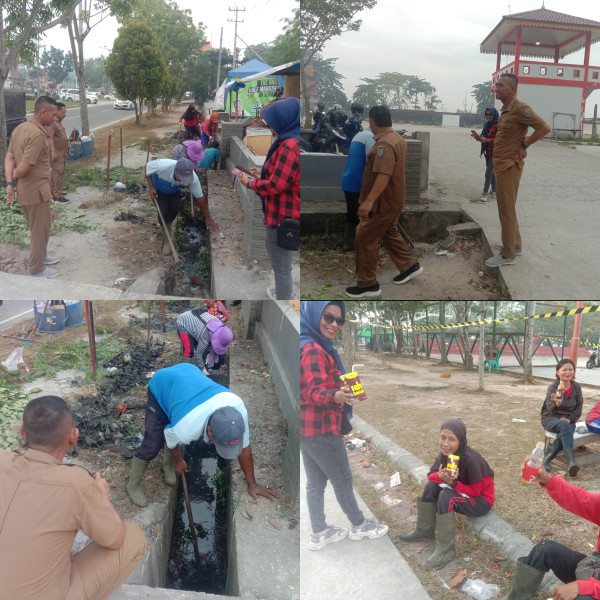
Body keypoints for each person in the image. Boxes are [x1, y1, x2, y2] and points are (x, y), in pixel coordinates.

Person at [0, 396, 147, 600]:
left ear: (22, 431)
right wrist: (102, 496)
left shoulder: (3, 460)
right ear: (74, 436)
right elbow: (115, 539)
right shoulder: (76, 484)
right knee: (132, 537)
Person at [300, 301, 388, 551]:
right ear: (314, 315)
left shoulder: (307, 343)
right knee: (343, 480)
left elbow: (309, 386)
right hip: (322, 428)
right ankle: (360, 525)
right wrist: (336, 396)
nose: (334, 324)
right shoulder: (314, 349)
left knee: (315, 483)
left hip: (307, 430)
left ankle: (320, 532)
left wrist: (341, 385)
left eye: (340, 320)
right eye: (328, 317)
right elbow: (317, 392)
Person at [126, 363, 277, 507]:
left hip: (189, 378)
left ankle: (167, 463)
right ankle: (133, 485)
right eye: (218, 443)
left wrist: (253, 484)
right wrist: (178, 460)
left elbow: (245, 449)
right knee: (152, 444)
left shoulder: (237, 413)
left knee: (173, 424)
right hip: (162, 384)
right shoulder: (187, 428)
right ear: (210, 431)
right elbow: (168, 435)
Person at [345, 105, 423, 298]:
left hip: (382, 202)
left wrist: (368, 202)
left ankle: (367, 284)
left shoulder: (384, 144)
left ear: (372, 122)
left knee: (364, 237)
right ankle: (408, 266)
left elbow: (383, 174)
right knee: (389, 231)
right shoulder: (397, 138)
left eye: (369, 123)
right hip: (394, 198)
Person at [399, 418, 494, 568]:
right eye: (443, 437)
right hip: (461, 491)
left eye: (452, 439)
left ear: (460, 441)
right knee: (431, 486)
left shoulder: (472, 460)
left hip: (481, 500)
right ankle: (425, 530)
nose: (445, 443)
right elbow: (430, 475)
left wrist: (452, 483)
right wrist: (441, 476)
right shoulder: (446, 454)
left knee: (446, 496)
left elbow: (476, 492)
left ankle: (446, 550)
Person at [498, 460, 600, 600]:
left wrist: (582, 587)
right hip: (595, 569)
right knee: (546, 550)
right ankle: (517, 597)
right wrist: (547, 479)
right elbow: (577, 498)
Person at [485, 73, 551, 267]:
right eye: (496, 85)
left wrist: (525, 145)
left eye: (501, 85)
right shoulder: (506, 109)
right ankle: (515, 244)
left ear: (512, 89)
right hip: (502, 164)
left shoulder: (520, 108)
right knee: (508, 207)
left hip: (509, 165)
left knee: (505, 210)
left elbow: (544, 127)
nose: (496, 88)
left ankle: (508, 255)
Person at [238, 98, 300, 300]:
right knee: (279, 258)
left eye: (272, 121)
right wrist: (261, 173)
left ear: (284, 120)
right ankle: (283, 290)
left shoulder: (289, 146)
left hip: (282, 217)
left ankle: (283, 299)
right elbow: (280, 175)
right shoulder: (287, 141)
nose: (269, 126)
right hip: (279, 213)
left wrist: (250, 183)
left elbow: (276, 185)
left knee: (280, 264)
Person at [4, 95, 59, 278]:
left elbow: (9, 157)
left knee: (38, 227)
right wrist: (15, 175)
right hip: (36, 191)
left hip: (26, 190)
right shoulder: (36, 134)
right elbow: (25, 167)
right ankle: (37, 269)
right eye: (52, 114)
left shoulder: (20, 128)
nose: (54, 118)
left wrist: (10, 183)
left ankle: (41, 256)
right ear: (43, 112)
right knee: (39, 229)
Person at [145, 157, 219, 256]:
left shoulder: (193, 179)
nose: (184, 181)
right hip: (158, 190)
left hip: (174, 191)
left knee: (174, 211)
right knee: (163, 212)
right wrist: (151, 187)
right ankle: (167, 240)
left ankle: (164, 228)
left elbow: (200, 198)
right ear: (175, 171)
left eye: (186, 179)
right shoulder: (162, 166)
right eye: (182, 177)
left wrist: (208, 218)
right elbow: (147, 168)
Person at [541, 358, 583, 476]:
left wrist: (570, 418)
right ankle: (571, 461)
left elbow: (579, 407)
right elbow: (550, 409)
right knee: (566, 426)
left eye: (571, 370)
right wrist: (558, 403)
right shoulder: (553, 387)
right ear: (557, 372)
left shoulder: (576, 387)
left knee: (566, 427)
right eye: (564, 370)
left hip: (569, 420)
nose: (568, 372)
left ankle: (547, 459)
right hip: (550, 418)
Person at [341, 128, 375, 250]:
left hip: (348, 179)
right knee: (366, 213)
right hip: (358, 182)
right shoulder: (370, 138)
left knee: (352, 212)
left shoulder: (360, 135)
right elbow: (370, 164)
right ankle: (364, 245)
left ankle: (349, 244)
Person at [175, 306, 233, 373]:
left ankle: (197, 370)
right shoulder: (205, 337)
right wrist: (203, 370)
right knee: (189, 350)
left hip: (197, 325)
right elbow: (198, 354)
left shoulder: (219, 325)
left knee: (202, 348)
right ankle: (186, 372)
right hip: (183, 322)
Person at [472, 107, 499, 202]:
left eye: (490, 114)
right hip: (488, 151)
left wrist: (487, 140)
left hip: (496, 152)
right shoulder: (488, 125)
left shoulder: (498, 126)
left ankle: (485, 193)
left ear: (494, 115)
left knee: (488, 172)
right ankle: (495, 190)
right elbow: (484, 136)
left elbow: (500, 141)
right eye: (486, 114)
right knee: (491, 171)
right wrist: (478, 138)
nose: (488, 116)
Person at [47, 101, 70, 204]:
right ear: (57, 112)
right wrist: (53, 151)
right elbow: (49, 137)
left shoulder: (58, 121)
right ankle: (57, 196)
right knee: (58, 174)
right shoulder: (52, 123)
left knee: (57, 173)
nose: (64, 115)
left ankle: (55, 191)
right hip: (57, 153)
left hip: (62, 152)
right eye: (63, 113)